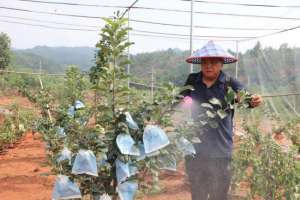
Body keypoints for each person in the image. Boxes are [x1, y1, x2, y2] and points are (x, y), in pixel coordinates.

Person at [182, 41, 262, 200]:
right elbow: (182, 99)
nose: (208, 66)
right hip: (195, 150)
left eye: (213, 62)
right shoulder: (192, 80)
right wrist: (186, 102)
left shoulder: (230, 83)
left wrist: (253, 100)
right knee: (198, 194)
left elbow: (247, 99)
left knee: (220, 194)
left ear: (221, 64)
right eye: (205, 62)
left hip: (221, 150)